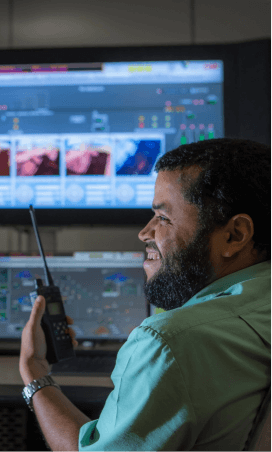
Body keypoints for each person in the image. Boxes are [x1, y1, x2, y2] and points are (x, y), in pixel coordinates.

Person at [20, 137, 271, 452]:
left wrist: (34, 371)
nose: (144, 232)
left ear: (234, 235)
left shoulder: (168, 343)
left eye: (163, 218)